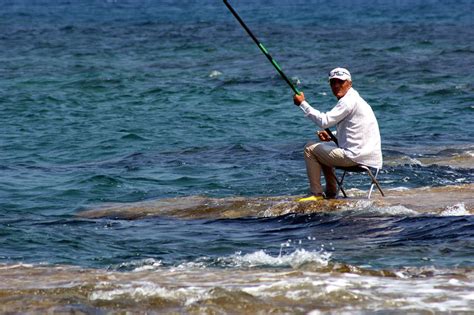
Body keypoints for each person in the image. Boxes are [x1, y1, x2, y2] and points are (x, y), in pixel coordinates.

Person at [293, 67, 382, 201]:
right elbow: (357, 129)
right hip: (369, 157)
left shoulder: (348, 101)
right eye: (332, 82)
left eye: (340, 82)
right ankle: (331, 190)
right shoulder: (357, 100)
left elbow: (324, 121)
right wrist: (332, 135)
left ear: (349, 83)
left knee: (310, 148)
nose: (336, 86)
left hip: (355, 157)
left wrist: (302, 104)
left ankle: (316, 194)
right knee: (321, 146)